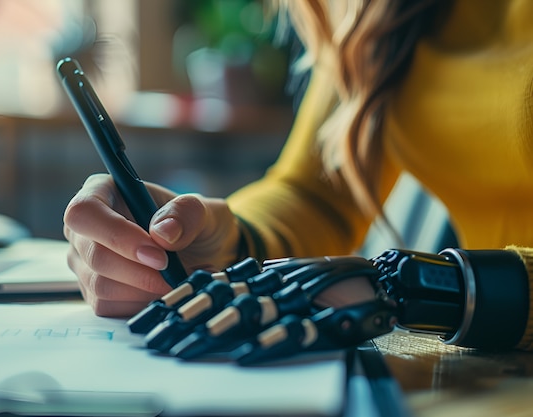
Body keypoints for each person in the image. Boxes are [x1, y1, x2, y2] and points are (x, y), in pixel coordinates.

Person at [63, 0, 533, 350]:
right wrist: (229, 238)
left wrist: (441, 292)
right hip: (480, 367)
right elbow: (315, 191)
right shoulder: (379, 11)